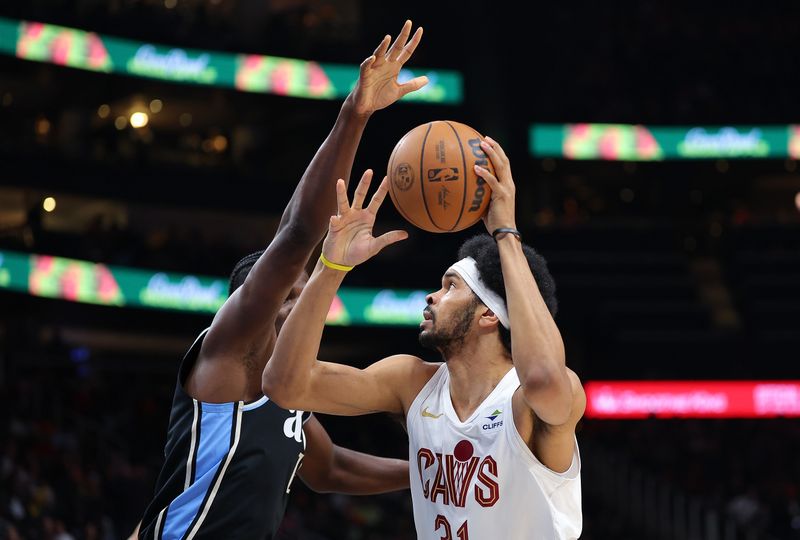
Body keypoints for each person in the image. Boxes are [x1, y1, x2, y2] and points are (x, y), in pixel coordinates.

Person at [135, 21, 429, 540]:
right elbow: (297, 235)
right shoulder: (231, 348)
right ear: (251, 303)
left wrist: (427, 476)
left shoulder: (288, 388)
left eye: (302, 293)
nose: (299, 302)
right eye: (289, 294)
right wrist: (354, 115)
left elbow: (329, 469)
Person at [262, 138, 586, 539]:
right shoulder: (413, 382)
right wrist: (331, 267)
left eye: (451, 287)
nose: (431, 296)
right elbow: (285, 385)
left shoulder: (528, 401)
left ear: (489, 314)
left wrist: (505, 233)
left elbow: (542, 378)